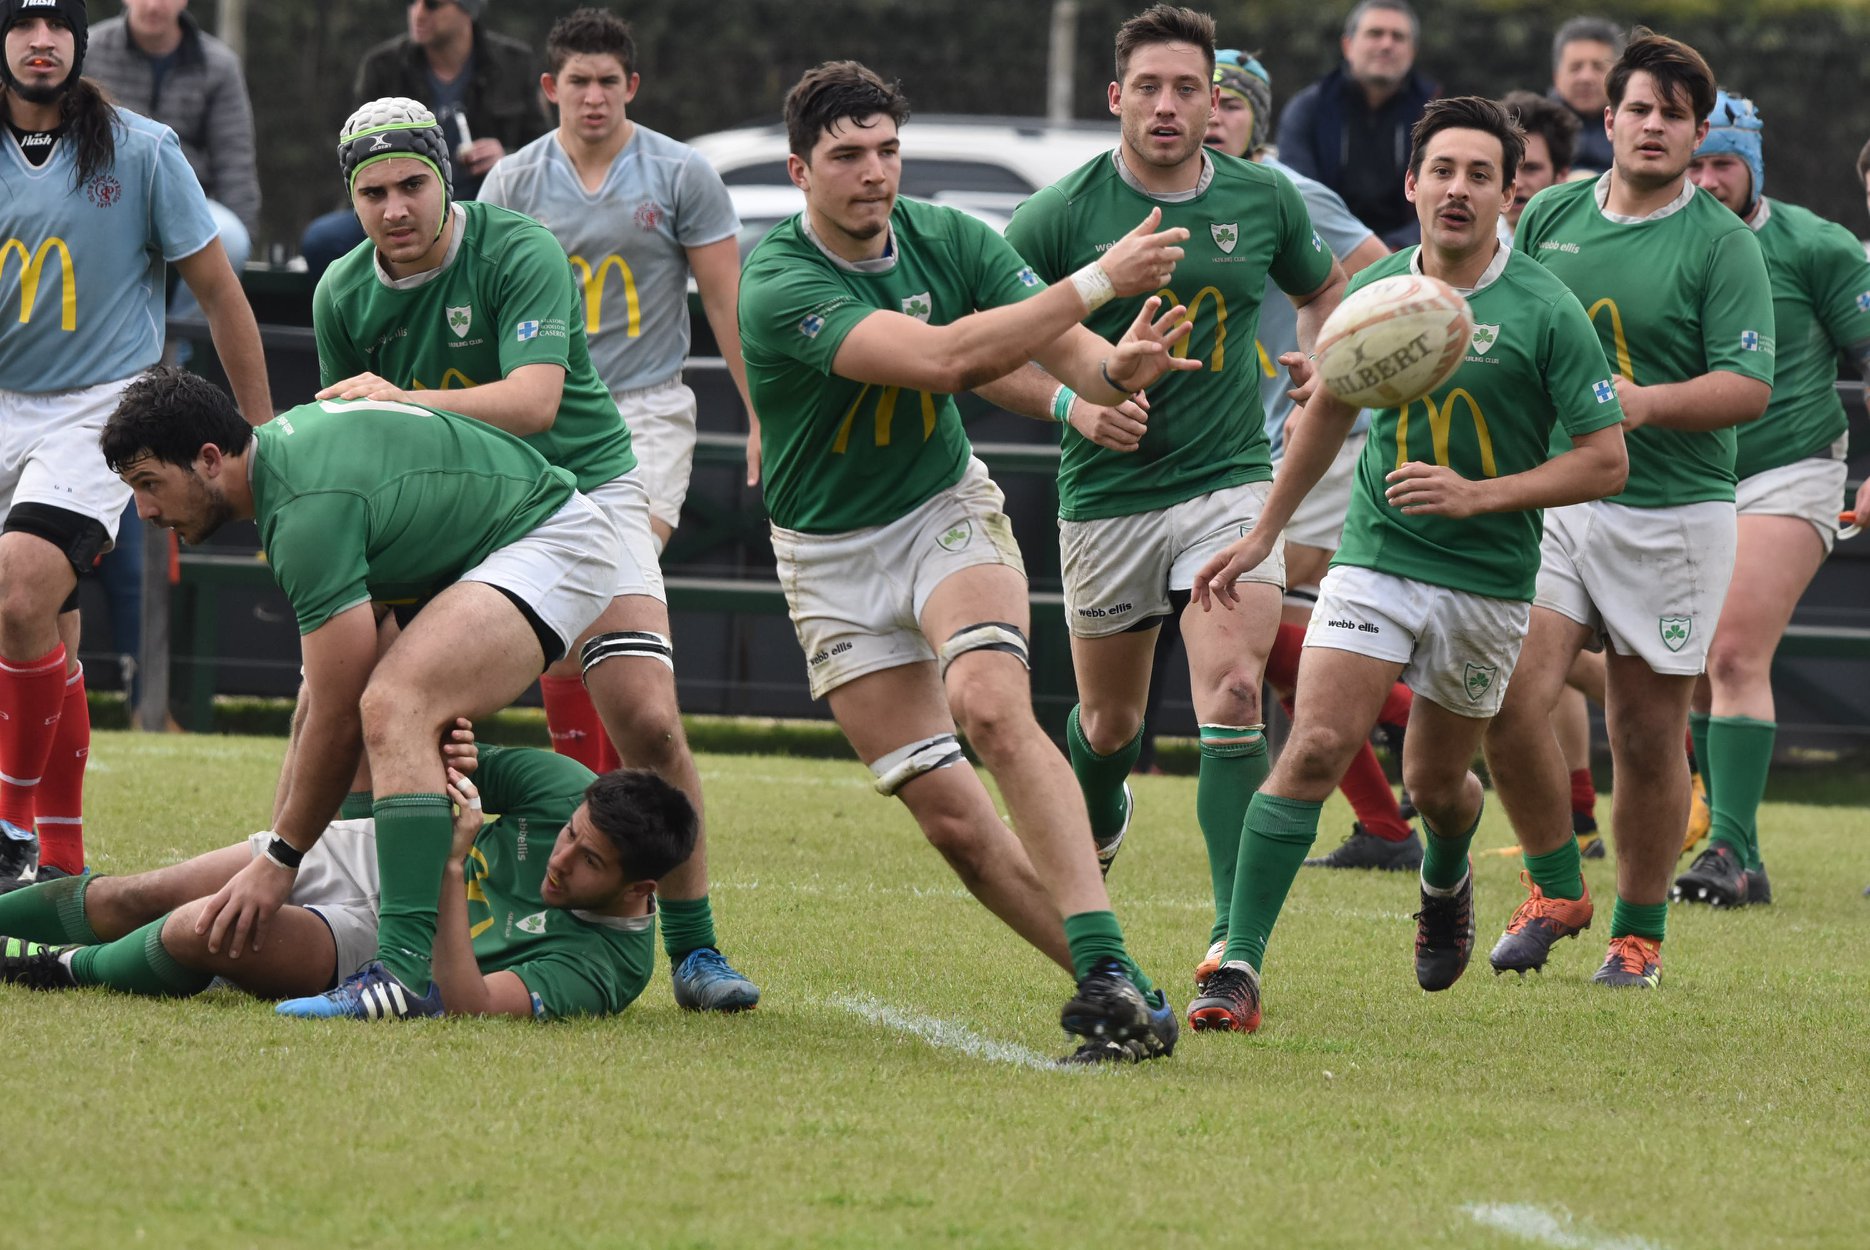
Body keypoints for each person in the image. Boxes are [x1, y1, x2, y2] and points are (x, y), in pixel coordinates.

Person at [739, 59, 1196, 1063]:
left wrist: (1114, 367)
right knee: (952, 823)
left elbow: (1073, 357)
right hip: (826, 558)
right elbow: (946, 359)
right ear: (799, 170)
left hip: (940, 510)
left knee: (990, 705)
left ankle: (1103, 966)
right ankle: (1122, 990)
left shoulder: (952, 237)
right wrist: (1098, 281)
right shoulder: (776, 281)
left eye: (887, 150)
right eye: (846, 156)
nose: (873, 172)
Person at [1180, 95, 1628, 1033]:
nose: (1458, 189)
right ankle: (1236, 967)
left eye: (1480, 175)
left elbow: (1605, 460)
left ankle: (1445, 874)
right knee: (1313, 745)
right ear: (1414, 184)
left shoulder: (1546, 307)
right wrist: (1264, 534)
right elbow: (1326, 415)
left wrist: (1480, 495)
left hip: (1487, 580)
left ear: (1508, 195)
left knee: (1436, 787)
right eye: (1442, 171)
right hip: (1376, 556)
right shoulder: (1378, 291)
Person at [309, 97, 759, 1011]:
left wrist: (402, 398)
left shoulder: (518, 248)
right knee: (376, 705)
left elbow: (534, 402)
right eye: (372, 194)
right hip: (456, 515)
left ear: (447, 180)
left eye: (412, 185)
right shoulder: (340, 294)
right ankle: (369, 929)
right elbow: (352, 441)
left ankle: (696, 951)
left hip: (583, 495)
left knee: (648, 720)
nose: (395, 209)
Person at [100, 367, 624, 1021]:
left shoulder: (303, 510)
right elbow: (325, 707)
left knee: (393, 704)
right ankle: (343, 897)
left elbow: (345, 717)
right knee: (343, 701)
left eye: (149, 484)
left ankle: (403, 972)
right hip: (483, 545)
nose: (145, 511)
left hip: (551, 536)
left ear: (209, 459)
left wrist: (281, 858)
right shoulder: (288, 469)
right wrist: (286, 857)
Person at [1000, 9, 1346, 990]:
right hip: (1106, 496)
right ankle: (1102, 808)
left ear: (1213, 101)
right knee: (1109, 725)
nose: (1166, 105)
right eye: (1147, 87)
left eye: (1187, 88)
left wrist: (1320, 359)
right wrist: (1075, 404)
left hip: (1230, 480)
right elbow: (981, 348)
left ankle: (1236, 947)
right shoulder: (1058, 214)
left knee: (1233, 693)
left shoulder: (1263, 197)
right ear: (1116, 97)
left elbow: (1324, 291)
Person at [1480, 31, 1774, 988]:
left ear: (1697, 134)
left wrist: (1641, 403)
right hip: (1561, 498)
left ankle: (1637, 935)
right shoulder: (1549, 212)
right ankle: (1556, 886)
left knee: (1646, 736)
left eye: (1674, 115)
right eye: (1639, 108)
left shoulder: (1723, 242)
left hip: (1672, 514)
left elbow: (1747, 387)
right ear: (1607, 120)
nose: (1654, 126)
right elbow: (1501, 319)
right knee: (1507, 696)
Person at [0, 0, 269, 892]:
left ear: (81, 41)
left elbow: (222, 296)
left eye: (57, 26)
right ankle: (60, 861)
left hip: (95, 406)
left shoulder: (144, 149)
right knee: (48, 633)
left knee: (21, 587)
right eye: (22, 25)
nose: (42, 42)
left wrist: (266, 439)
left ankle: (7, 829)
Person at [0, 726, 697, 1021]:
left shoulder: (608, 968)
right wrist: (448, 746)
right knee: (141, 892)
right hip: (378, 851)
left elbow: (470, 1003)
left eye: (589, 861)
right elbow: (426, 759)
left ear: (641, 889)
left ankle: (59, 969)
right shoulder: (566, 786)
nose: (560, 859)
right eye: (570, 835)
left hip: (392, 952)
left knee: (196, 929)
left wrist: (451, 865)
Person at [1206, 47, 1425, 878]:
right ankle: (1386, 825)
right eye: (1201, 98)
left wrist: (1333, 376)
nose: (1212, 114)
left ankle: (1426, 716)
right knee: (1269, 642)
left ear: (1259, 120)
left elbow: (1390, 284)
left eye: (1231, 102)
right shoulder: (1180, 199)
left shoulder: (1287, 192)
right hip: (1253, 446)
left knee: (1247, 613)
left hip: (1327, 436)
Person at [1672, 91, 1870, 907]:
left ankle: (1725, 847)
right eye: (1694, 165)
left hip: (1792, 466)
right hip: (1688, 477)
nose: (1707, 181)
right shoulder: (1654, 241)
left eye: (1723, 163)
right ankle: (1742, 854)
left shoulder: (1817, 245)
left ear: (1754, 165)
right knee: (1688, 669)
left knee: (1730, 655)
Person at [481, 10, 753, 561]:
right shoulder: (511, 181)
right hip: (546, 406)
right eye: (579, 81)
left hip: (647, 406)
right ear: (551, 87)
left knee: (626, 562)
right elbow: (481, 304)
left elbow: (727, 302)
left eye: (608, 81)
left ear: (630, 86)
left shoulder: (681, 172)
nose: (594, 97)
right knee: (545, 575)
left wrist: (760, 413)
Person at [299, 0, 548, 274]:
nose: (418, 13)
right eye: (412, 2)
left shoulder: (514, 63)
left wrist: (506, 156)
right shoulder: (383, 65)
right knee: (322, 240)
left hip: (483, 206)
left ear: (469, 8)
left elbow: (544, 152)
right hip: (396, 205)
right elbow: (354, 153)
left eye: (432, 5)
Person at [86, 0, 260, 321]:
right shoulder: (90, 50)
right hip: (105, 194)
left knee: (232, 239)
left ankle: (179, 343)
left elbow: (234, 160)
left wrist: (245, 228)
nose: (154, 5)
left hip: (189, 198)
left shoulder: (219, 65)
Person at [1274, 0, 1438, 248]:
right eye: (1375, 33)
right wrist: (1353, 250)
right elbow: (1298, 195)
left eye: (1398, 37)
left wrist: (1397, 248)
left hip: (1412, 253)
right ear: (1347, 45)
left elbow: (1442, 196)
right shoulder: (1307, 110)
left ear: (1413, 51)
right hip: (1323, 250)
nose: (1386, 44)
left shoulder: (1435, 114)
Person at [1547, 17, 1623, 176]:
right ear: (1556, 77)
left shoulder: (1636, 125)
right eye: (1575, 67)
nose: (1586, 77)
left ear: (1619, 76)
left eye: (1598, 67)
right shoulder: (1534, 129)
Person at [1501, 90, 1578, 235]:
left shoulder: (1581, 241)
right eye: (1506, 167)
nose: (1516, 182)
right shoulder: (1470, 240)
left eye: (1531, 168)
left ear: (1561, 175)